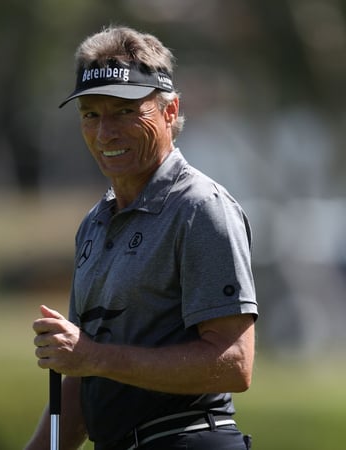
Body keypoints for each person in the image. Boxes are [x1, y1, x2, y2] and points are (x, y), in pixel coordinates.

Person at [24, 25, 258, 450]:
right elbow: (83, 370)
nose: (105, 132)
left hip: (187, 439)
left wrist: (93, 356)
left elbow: (234, 365)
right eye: (91, 114)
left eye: (125, 112)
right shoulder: (94, 223)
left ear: (170, 111)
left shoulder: (200, 208)